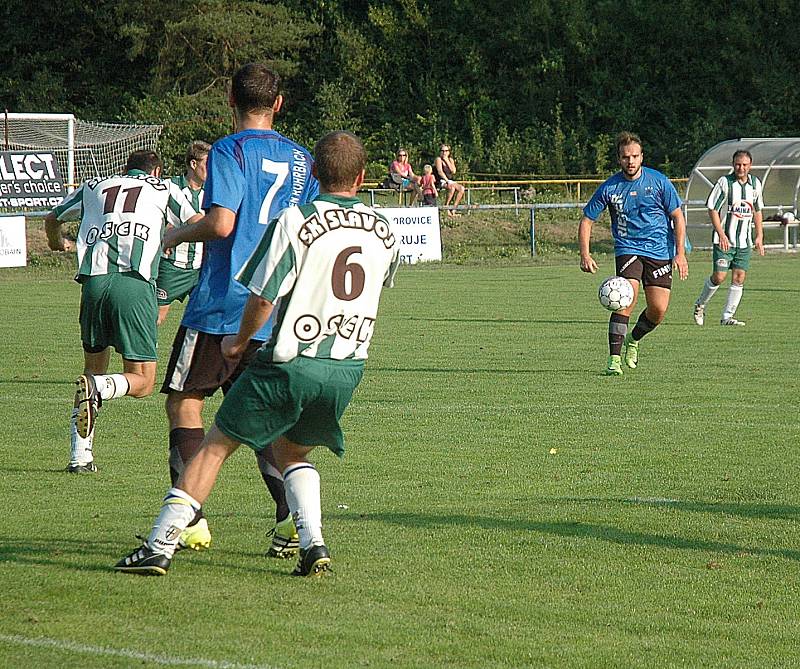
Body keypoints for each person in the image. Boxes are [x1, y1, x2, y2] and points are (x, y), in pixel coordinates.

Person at [115, 130, 401, 578]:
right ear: (362, 177)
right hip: (348, 366)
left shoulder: (295, 220)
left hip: (293, 359)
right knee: (292, 451)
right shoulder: (386, 229)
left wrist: (239, 341)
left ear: (317, 174)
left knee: (214, 447)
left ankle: (158, 545)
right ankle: (313, 543)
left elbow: (263, 296)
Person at [153, 64, 319, 555]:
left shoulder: (228, 151)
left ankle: (191, 520)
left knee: (185, 402)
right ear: (279, 103)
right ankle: (291, 520)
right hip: (274, 308)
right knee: (264, 418)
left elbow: (222, 223)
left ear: (230, 99)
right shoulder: (302, 160)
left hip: (220, 304)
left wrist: (177, 233)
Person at [44, 150, 202, 473]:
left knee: (92, 369)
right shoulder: (164, 189)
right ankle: (100, 390)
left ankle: (80, 456)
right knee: (143, 382)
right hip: (134, 284)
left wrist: (57, 243)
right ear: (156, 171)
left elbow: (52, 218)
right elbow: (199, 223)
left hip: (93, 286)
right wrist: (171, 237)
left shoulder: (94, 185)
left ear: (124, 169)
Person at [578, 131, 689, 376]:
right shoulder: (610, 187)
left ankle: (634, 339)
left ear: (642, 157)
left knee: (658, 311)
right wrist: (585, 254)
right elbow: (587, 220)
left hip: (659, 250)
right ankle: (613, 360)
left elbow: (678, 217)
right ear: (619, 158)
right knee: (625, 298)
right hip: (628, 248)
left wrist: (680, 253)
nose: (631, 161)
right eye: (626, 157)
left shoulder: (659, 182)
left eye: (635, 156)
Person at [692, 150, 764, 326]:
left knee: (739, 277)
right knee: (719, 276)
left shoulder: (755, 184)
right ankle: (700, 305)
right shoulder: (725, 183)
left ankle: (727, 317)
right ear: (733, 165)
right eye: (738, 164)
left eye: (745, 165)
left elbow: (758, 210)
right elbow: (713, 209)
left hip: (744, 241)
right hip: (724, 239)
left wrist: (759, 235)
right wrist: (721, 233)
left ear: (750, 166)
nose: (741, 168)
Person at [155, 140, 211, 326]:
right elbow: (151, 215)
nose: (211, 169)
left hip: (201, 267)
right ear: (193, 164)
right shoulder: (168, 187)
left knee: (205, 319)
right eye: (207, 164)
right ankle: (145, 353)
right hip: (172, 266)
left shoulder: (213, 192)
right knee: (156, 317)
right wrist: (165, 228)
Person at [434, 144, 465, 216]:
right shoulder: (438, 159)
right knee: (451, 187)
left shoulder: (450, 160)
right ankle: (446, 207)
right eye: (442, 151)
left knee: (461, 189)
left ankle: (454, 209)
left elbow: (453, 171)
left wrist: (447, 160)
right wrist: (447, 181)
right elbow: (440, 172)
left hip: (450, 180)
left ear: (449, 152)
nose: (444, 152)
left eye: (446, 151)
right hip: (441, 180)